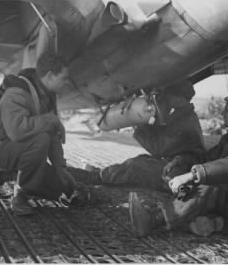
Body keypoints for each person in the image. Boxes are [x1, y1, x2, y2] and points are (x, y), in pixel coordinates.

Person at [129, 90, 228, 237]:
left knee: (212, 182)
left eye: (226, 110)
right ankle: (213, 221)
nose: (222, 113)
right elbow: (208, 157)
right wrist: (183, 161)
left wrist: (192, 175)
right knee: (192, 174)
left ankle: (153, 219)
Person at [0, 52, 78, 215]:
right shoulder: (17, 92)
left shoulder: (46, 95)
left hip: (16, 149)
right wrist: (49, 120)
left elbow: (52, 134)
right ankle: (20, 195)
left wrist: (60, 168)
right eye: (63, 78)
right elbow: (16, 131)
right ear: (49, 76)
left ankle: (3, 176)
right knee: (41, 139)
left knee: (62, 187)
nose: (66, 82)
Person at [72, 81, 206, 193]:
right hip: (180, 163)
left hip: (181, 170)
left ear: (179, 99)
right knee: (141, 160)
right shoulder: (183, 115)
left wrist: (139, 126)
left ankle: (94, 177)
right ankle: (104, 173)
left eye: (169, 96)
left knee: (136, 166)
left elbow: (158, 148)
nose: (166, 99)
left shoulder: (184, 121)